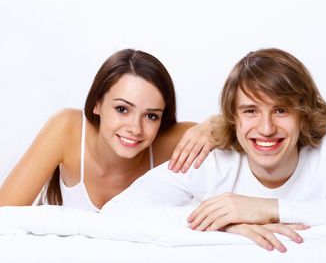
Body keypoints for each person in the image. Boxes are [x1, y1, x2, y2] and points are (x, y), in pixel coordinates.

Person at [102, 48, 326, 252]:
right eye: (251, 111)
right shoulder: (209, 157)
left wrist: (268, 209)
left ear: (302, 113)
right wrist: (226, 223)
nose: (266, 128)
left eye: (281, 111)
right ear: (233, 117)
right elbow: (118, 211)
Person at [0, 49, 214, 211]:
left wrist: (211, 125)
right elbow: (5, 215)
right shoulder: (67, 129)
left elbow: (238, 129)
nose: (135, 128)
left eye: (151, 116)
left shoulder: (168, 141)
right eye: (122, 109)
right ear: (97, 104)